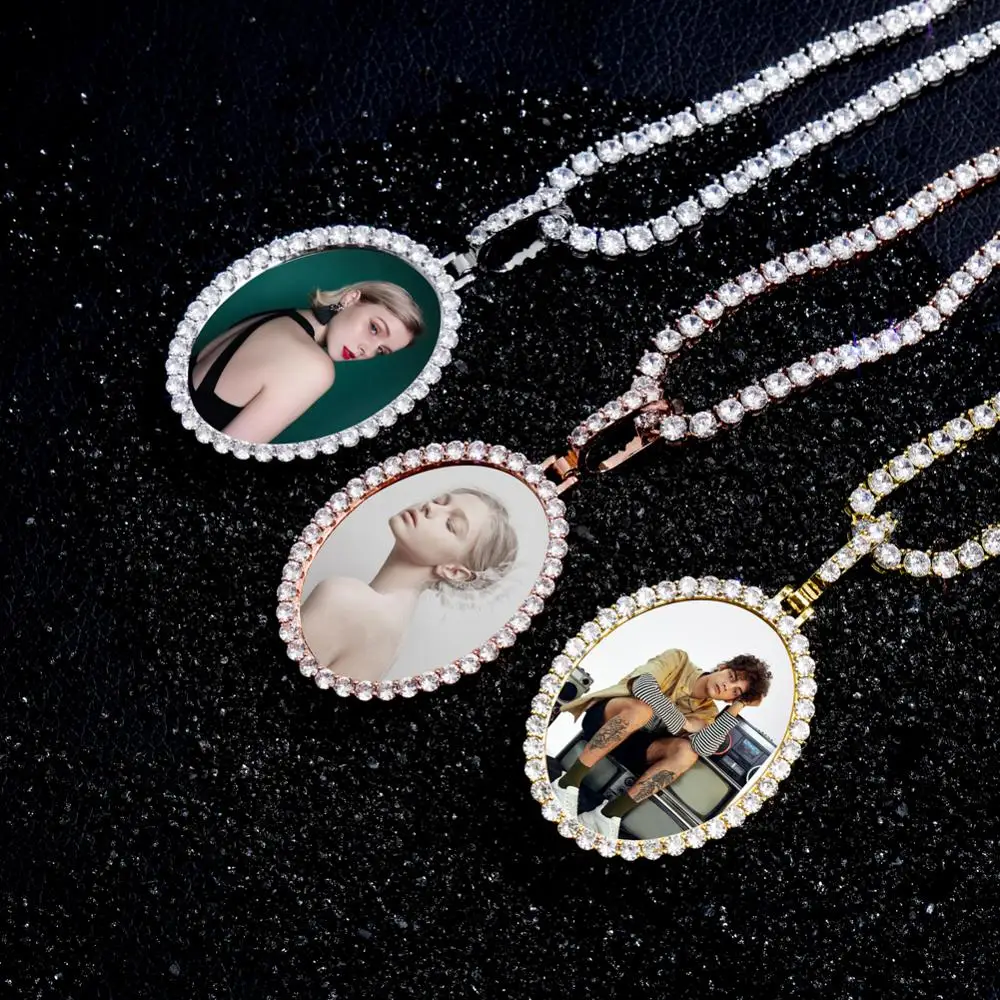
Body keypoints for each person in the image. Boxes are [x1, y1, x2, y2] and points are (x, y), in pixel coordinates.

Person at [300, 488, 519, 682]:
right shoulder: (394, 636)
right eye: (440, 501)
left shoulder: (346, 599)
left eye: (450, 525)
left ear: (454, 571)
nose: (431, 508)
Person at [552, 649, 773, 839]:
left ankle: (607, 815)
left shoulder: (708, 713)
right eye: (731, 676)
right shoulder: (679, 659)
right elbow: (643, 685)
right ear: (722, 667)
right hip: (606, 719)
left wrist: (738, 706)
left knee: (687, 752)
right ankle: (566, 784)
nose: (727, 686)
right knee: (643, 709)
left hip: (635, 748)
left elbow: (702, 747)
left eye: (735, 692)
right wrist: (683, 723)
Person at [189, 281, 424, 443]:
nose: (367, 350)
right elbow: (225, 455)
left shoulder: (282, 317)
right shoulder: (315, 368)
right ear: (351, 299)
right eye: (374, 328)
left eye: (381, 350)